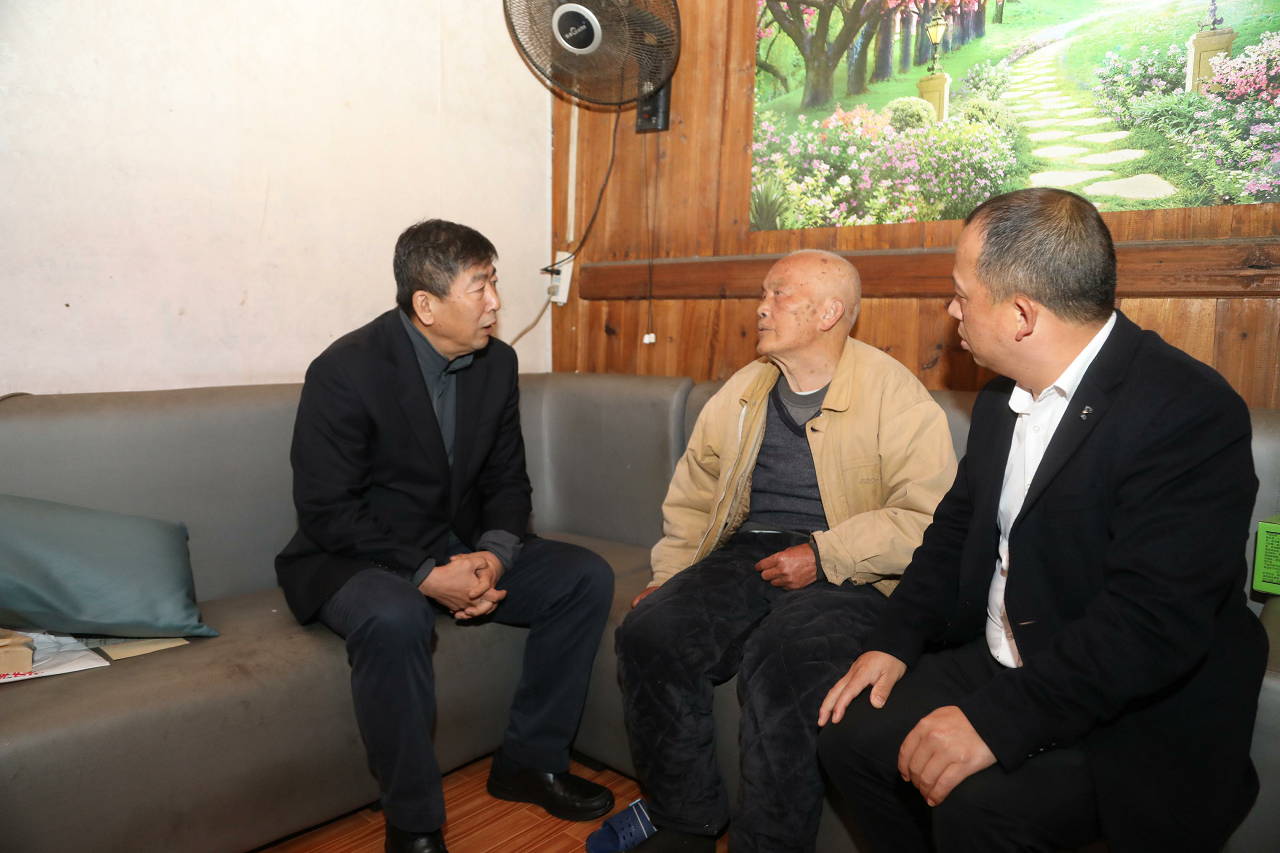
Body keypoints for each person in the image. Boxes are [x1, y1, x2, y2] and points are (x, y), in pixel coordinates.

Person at [817, 188, 1268, 853]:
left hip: (1132, 703)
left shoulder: (1188, 411)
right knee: (850, 737)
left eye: (961, 295)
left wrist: (995, 724)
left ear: (1022, 314)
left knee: (979, 807)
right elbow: (953, 533)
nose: (952, 310)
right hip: (1009, 659)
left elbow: (1151, 623)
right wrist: (895, 639)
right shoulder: (1000, 400)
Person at [275, 219, 615, 853]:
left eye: (494, 283)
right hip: (358, 557)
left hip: (458, 544)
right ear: (426, 305)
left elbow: (508, 481)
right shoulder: (345, 369)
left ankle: (529, 761)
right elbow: (326, 509)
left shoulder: (497, 363)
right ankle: (413, 825)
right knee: (395, 614)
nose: (495, 303)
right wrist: (427, 575)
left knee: (583, 575)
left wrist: (494, 556)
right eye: (479, 287)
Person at [612, 249, 958, 853]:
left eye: (779, 294)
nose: (761, 307)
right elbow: (695, 495)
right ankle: (684, 821)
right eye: (763, 294)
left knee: (786, 662)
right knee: (650, 632)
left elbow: (926, 519)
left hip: (853, 571)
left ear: (829, 313)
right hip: (750, 551)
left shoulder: (894, 394)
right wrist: (669, 575)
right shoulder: (744, 389)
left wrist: (824, 554)